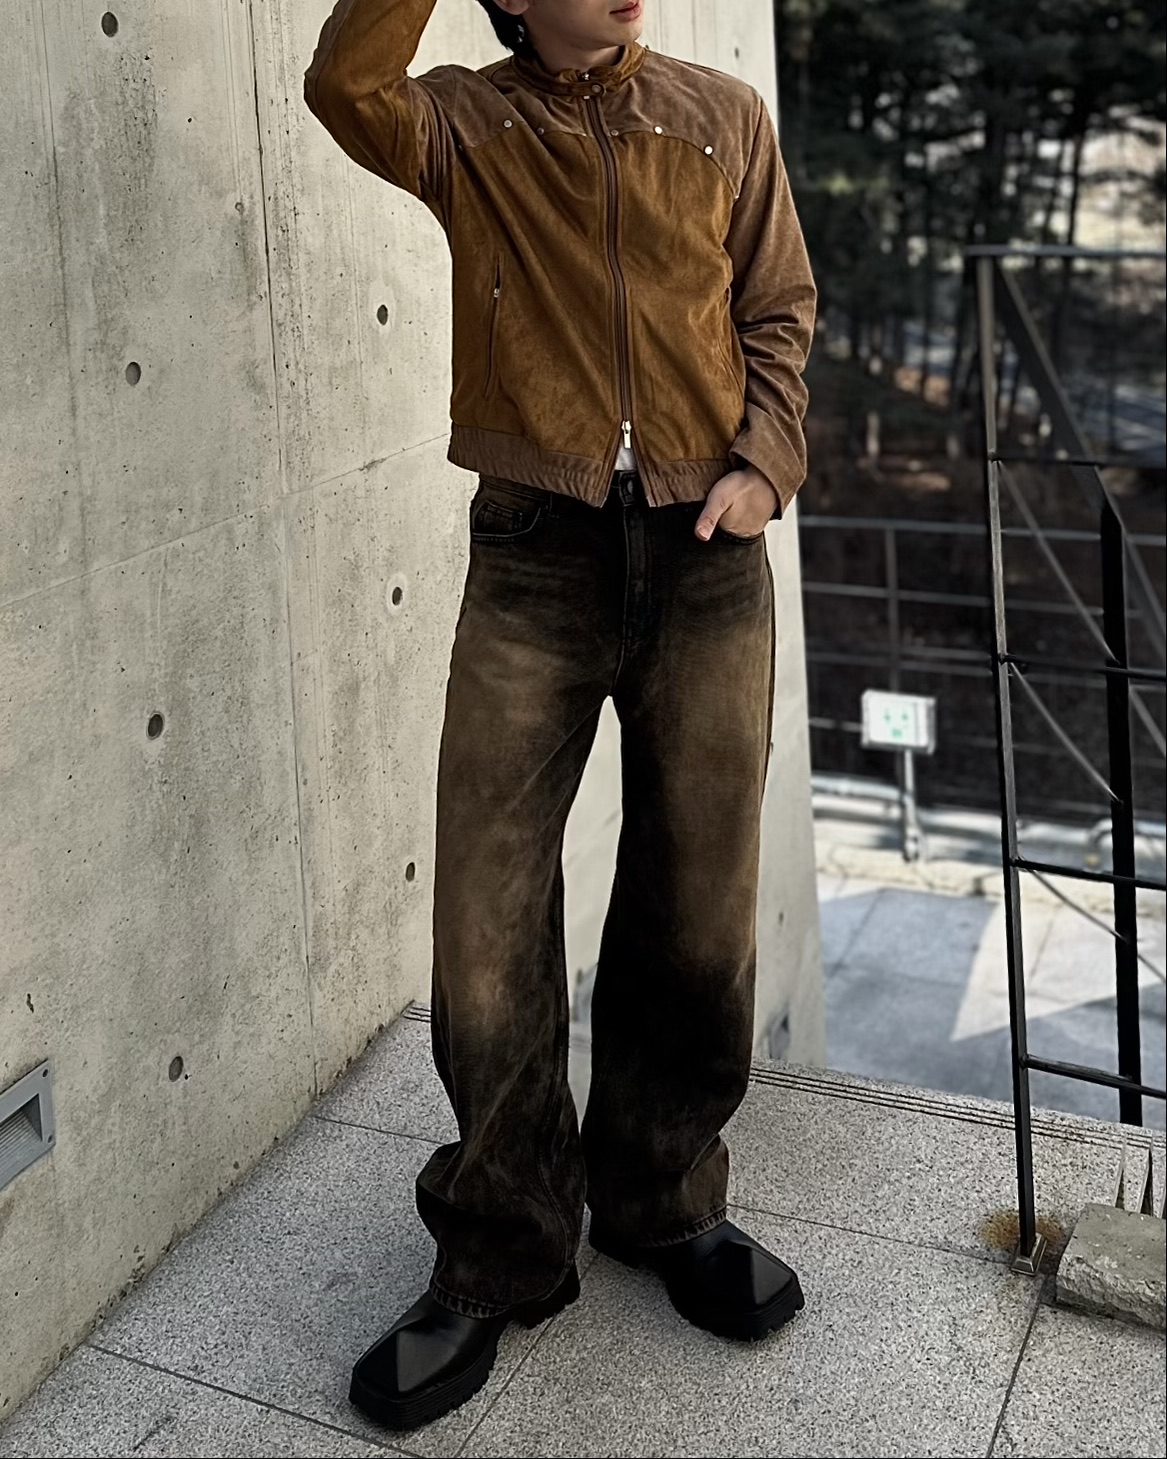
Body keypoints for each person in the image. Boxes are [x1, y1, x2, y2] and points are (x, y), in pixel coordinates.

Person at [304, 0, 816, 1432]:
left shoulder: (720, 115)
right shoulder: (464, 123)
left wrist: (765, 465)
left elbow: (778, 303)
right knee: (485, 916)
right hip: (537, 553)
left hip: (708, 555)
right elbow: (344, 84)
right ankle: (501, 1246)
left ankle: (663, 1199)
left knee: (697, 903)